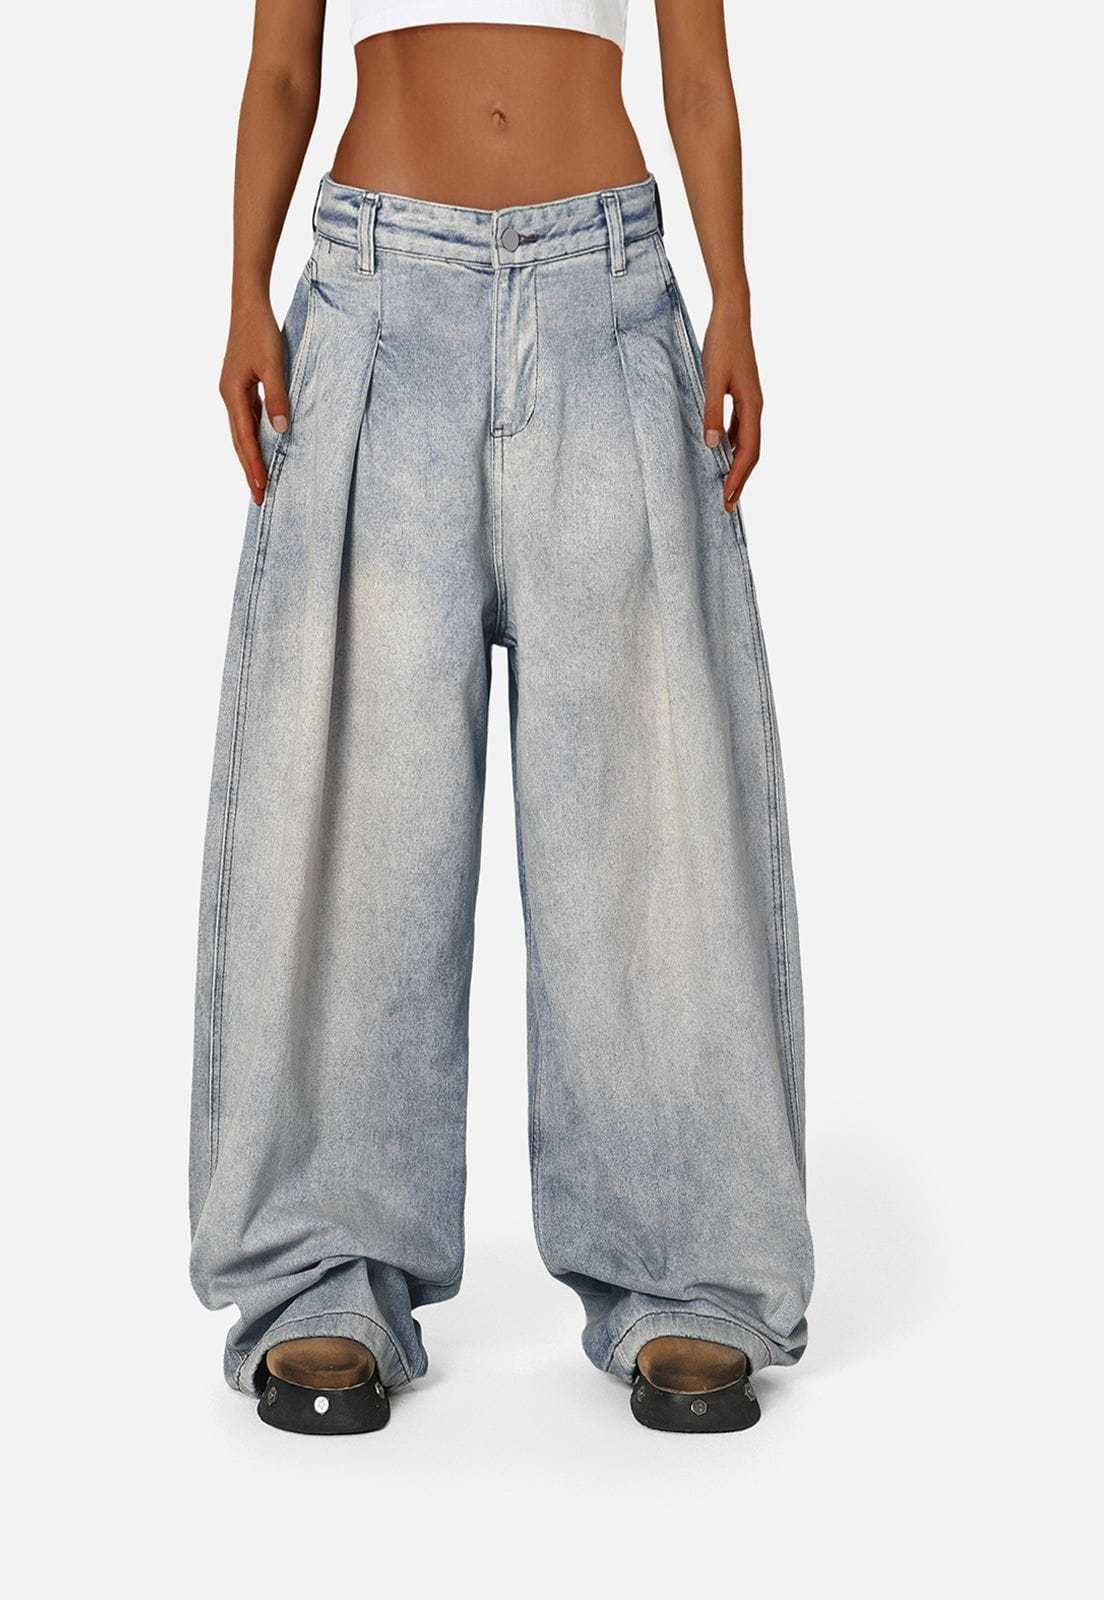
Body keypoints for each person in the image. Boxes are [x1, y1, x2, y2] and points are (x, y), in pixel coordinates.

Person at [191, 0, 813, 1436]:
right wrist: (242, 289)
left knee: (649, 797)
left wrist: (733, 294)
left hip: (607, 297)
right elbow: (281, 63)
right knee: (354, 801)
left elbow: (697, 71)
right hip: (378, 295)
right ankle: (324, 1267)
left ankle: (687, 1268)